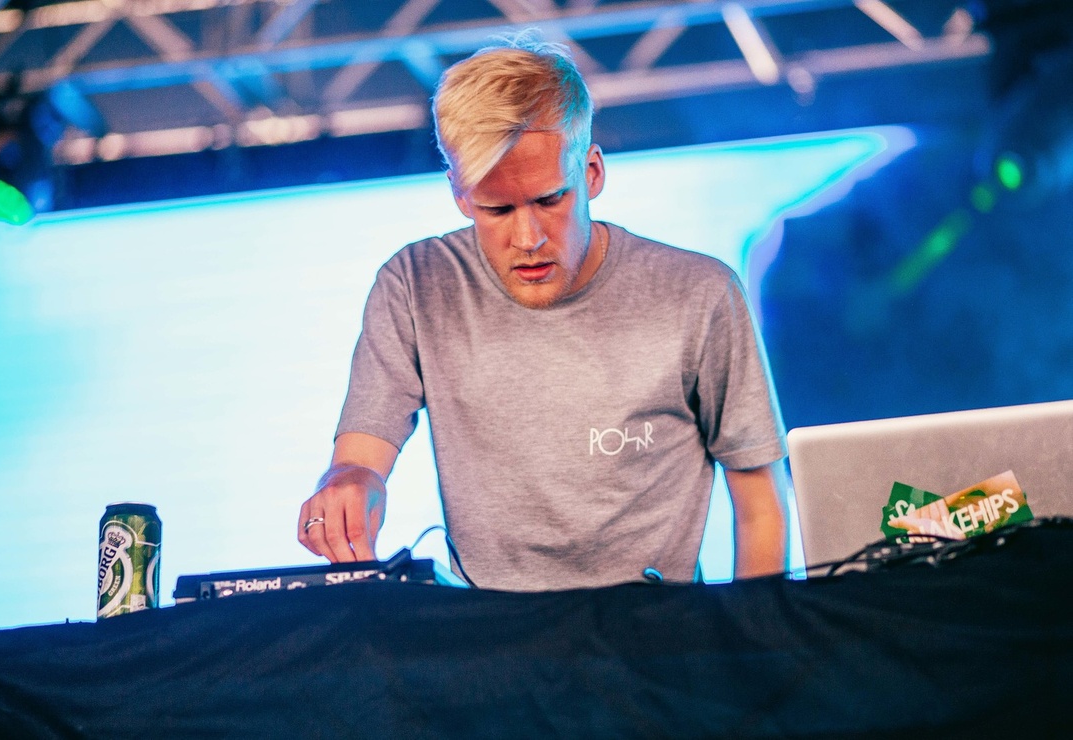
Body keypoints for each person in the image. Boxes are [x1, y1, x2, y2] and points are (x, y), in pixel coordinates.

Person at [297, 34, 788, 590]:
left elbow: (760, 503)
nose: (528, 238)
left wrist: (754, 638)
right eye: (497, 209)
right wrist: (348, 485)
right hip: (493, 637)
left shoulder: (700, 293)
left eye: (550, 200)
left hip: (661, 636)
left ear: (592, 173)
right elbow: (359, 461)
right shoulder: (414, 286)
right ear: (460, 195)